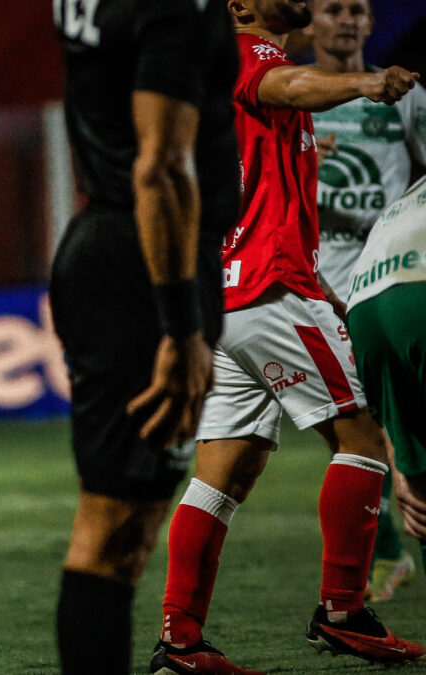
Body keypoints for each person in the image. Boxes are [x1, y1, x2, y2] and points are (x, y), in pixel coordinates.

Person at [152, 1, 424, 671]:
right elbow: (293, 85)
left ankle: (180, 639)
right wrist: (365, 82)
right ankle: (343, 610)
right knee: (362, 435)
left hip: (229, 294)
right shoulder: (253, 54)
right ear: (241, 7)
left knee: (224, 474)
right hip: (271, 289)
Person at [50, 0, 239, 672]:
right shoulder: (174, 7)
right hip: (149, 265)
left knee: (127, 533)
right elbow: (160, 164)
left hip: (114, 246)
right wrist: (181, 326)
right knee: (112, 530)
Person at [307, 0, 426, 602]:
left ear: (372, 23)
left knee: (380, 424)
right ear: (311, 23)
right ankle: (386, 551)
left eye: (358, 9)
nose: (348, 19)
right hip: (318, 281)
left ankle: (386, 555)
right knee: (354, 427)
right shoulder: (292, 93)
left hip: (391, 274)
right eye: (334, 9)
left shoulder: (402, 95)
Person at [347, 174, 426, 571]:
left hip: (363, 301)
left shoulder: (411, 190)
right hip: (419, 292)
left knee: (422, 495)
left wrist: (400, 468)